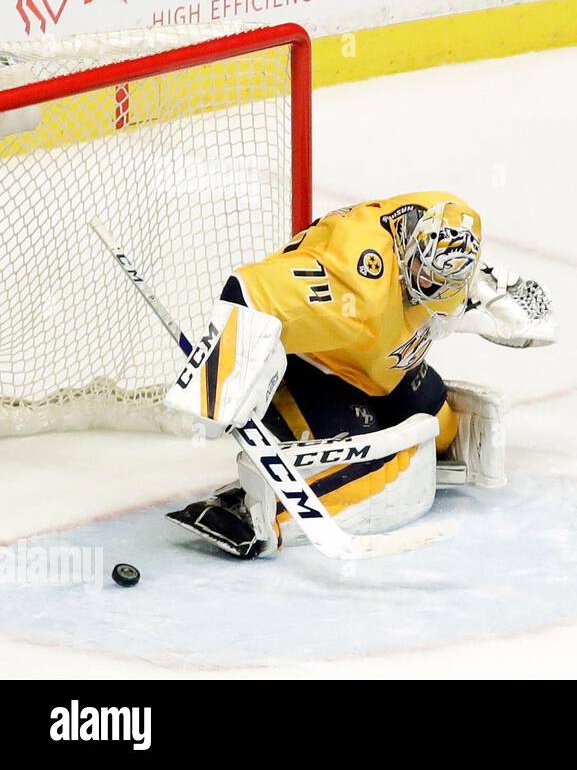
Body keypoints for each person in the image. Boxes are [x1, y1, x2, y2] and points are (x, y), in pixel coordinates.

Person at [163, 191, 556, 557]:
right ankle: (258, 514)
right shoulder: (355, 278)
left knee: (444, 430)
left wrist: (493, 297)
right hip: (310, 368)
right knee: (383, 462)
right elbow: (249, 289)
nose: (431, 287)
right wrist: (217, 383)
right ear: (408, 249)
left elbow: (464, 271)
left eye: (445, 282)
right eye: (425, 273)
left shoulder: (443, 221)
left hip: (375, 367)